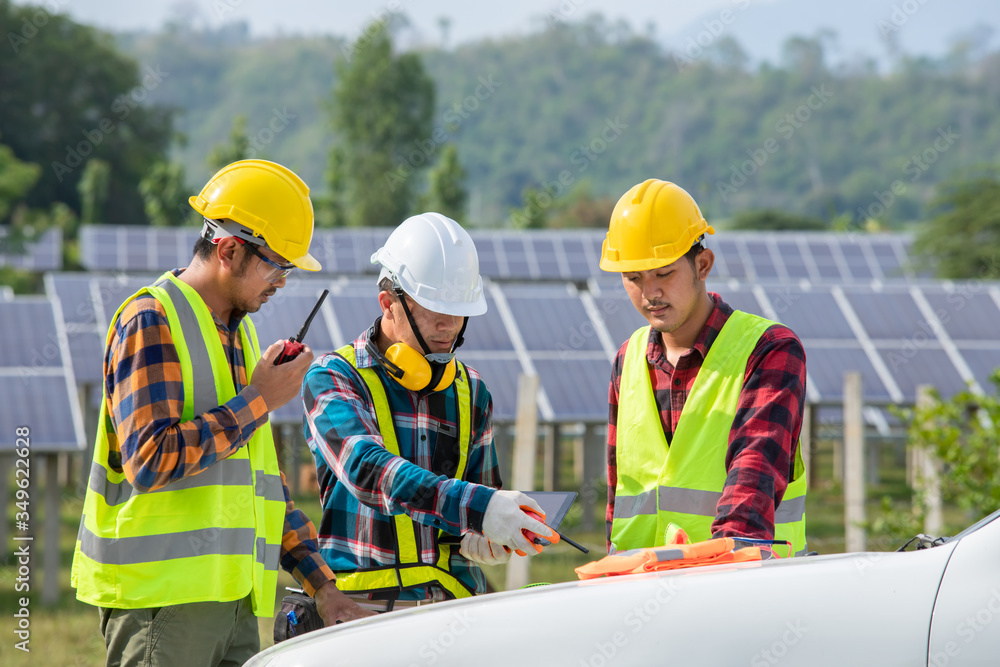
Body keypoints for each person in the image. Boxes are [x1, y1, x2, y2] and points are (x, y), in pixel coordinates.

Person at [71, 159, 373, 667]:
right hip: (161, 606)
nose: (281, 281)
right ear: (230, 249)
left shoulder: (238, 333)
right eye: (277, 264)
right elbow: (150, 460)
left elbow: (260, 485)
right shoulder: (152, 320)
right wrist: (259, 400)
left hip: (231, 604)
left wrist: (322, 585)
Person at [302, 212, 553, 612]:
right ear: (388, 303)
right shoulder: (334, 377)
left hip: (454, 609)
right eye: (435, 309)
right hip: (363, 612)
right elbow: (368, 472)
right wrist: (479, 507)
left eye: (459, 309)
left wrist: (481, 539)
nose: (450, 325)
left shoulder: (471, 390)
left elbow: (479, 497)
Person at [600, 179, 807, 556]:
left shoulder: (769, 350)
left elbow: (754, 474)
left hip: (739, 587)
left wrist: (719, 566)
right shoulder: (626, 360)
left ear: (703, 265)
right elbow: (619, 499)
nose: (650, 293)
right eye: (633, 278)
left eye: (663, 273)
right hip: (638, 592)